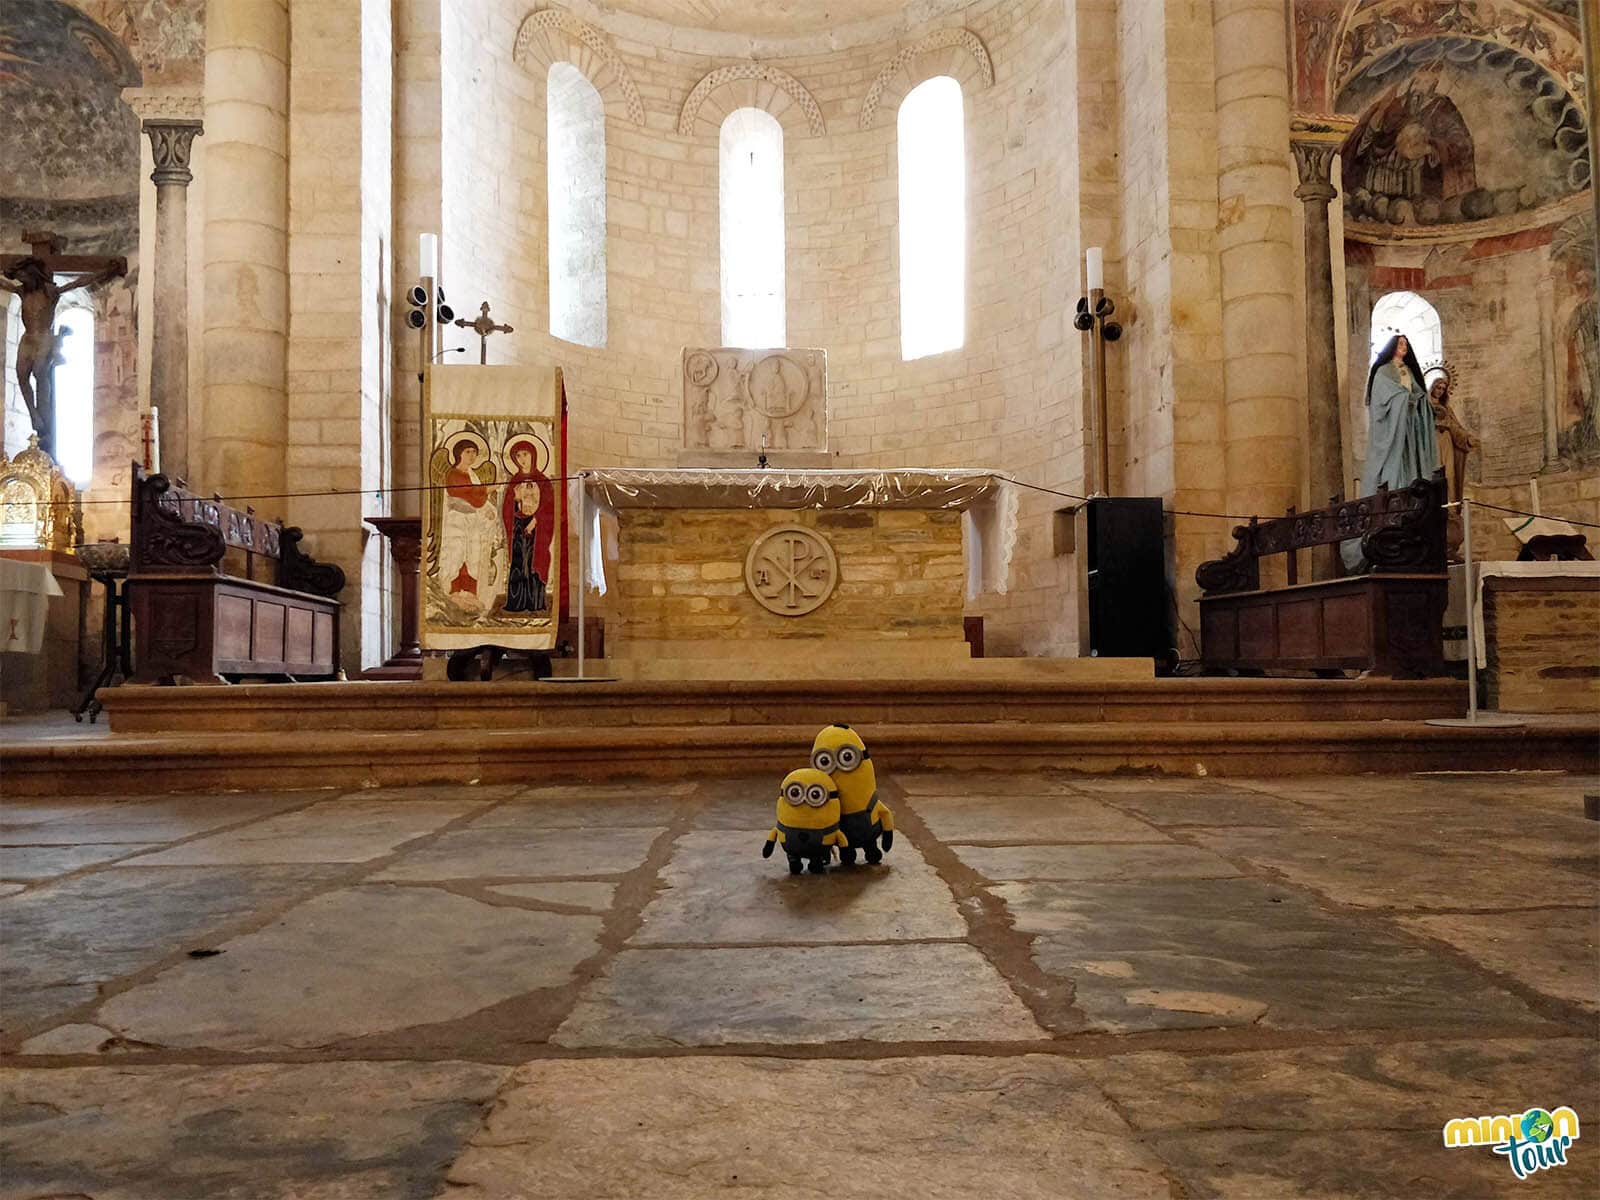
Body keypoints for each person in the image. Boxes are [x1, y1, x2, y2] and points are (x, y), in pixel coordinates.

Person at [1343, 333, 1438, 571]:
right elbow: (1381, 402)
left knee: (1414, 470)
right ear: (1392, 347)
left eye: (1406, 344)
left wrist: (1419, 402)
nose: (1403, 347)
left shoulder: (1410, 372)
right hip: (1393, 435)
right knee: (1393, 473)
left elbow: (1419, 396)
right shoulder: (1383, 372)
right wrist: (1402, 399)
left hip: (1410, 433)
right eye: (1400, 344)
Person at [439, 439, 499, 610]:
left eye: (474, 452)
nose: (472, 455)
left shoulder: (473, 475)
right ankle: (455, 593)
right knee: (457, 553)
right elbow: (464, 494)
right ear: (459, 453)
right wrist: (487, 491)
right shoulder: (453, 474)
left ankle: (470, 594)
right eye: (468, 452)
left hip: (472, 520)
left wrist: (488, 509)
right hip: (457, 520)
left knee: (473, 555)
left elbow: (476, 497)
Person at [500, 439, 553, 614]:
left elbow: (550, 508)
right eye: (518, 455)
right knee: (518, 563)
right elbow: (508, 509)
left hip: (537, 529)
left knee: (533, 563)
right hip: (518, 527)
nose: (522, 459)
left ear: (534, 455)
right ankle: (516, 603)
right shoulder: (514, 481)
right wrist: (515, 499)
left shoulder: (544, 481)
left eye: (525, 454)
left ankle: (534, 602)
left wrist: (535, 520)